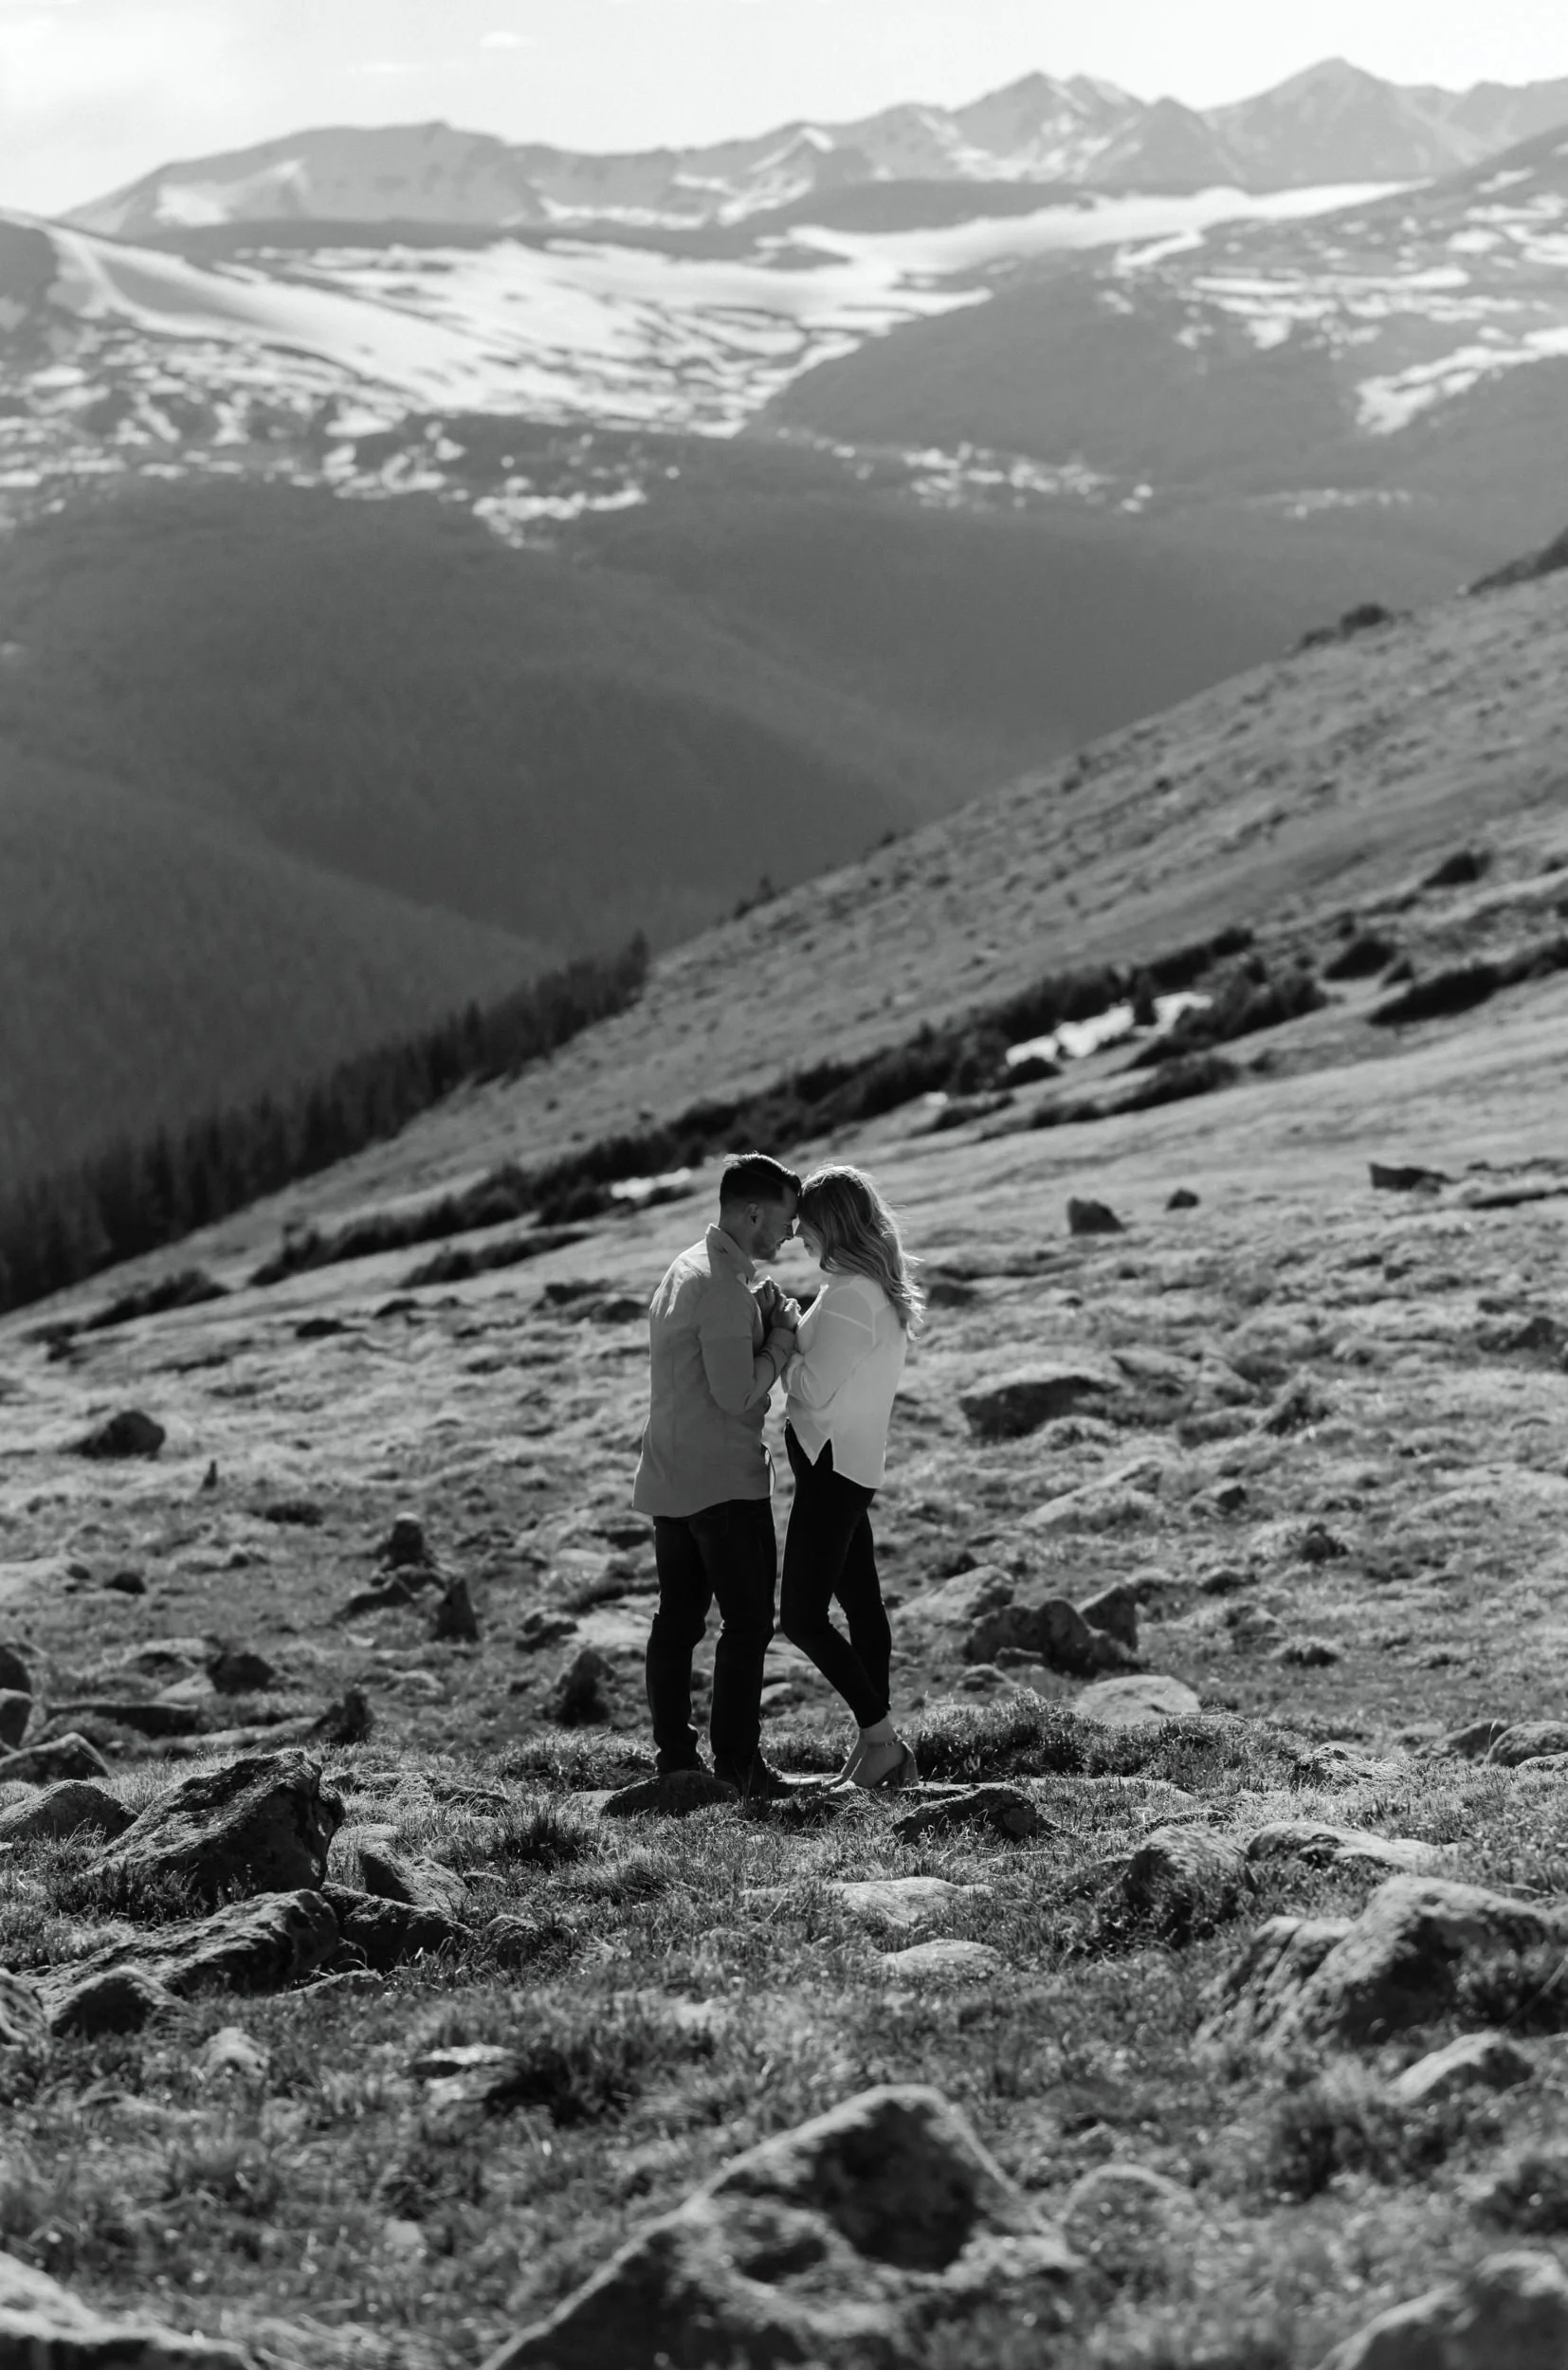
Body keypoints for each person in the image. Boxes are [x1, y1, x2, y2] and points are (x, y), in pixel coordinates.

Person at [632, 1151, 802, 1797]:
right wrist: (782, 1337)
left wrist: (755, 1310)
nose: (789, 1233)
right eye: (784, 1220)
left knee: (677, 1619)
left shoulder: (686, 1268)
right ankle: (738, 1767)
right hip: (724, 1483)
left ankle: (676, 1757)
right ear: (753, 1211)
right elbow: (738, 1395)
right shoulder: (725, 1289)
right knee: (748, 1622)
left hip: (670, 1477)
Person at [777, 1164, 922, 1789]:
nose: (796, 1236)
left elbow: (808, 1385)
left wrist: (780, 1335)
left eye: (805, 1225)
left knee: (803, 1618)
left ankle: (883, 1740)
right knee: (861, 1605)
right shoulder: (861, 1287)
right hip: (846, 1465)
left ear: (829, 1224)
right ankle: (874, 1751)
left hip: (832, 1469)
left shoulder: (851, 1296)